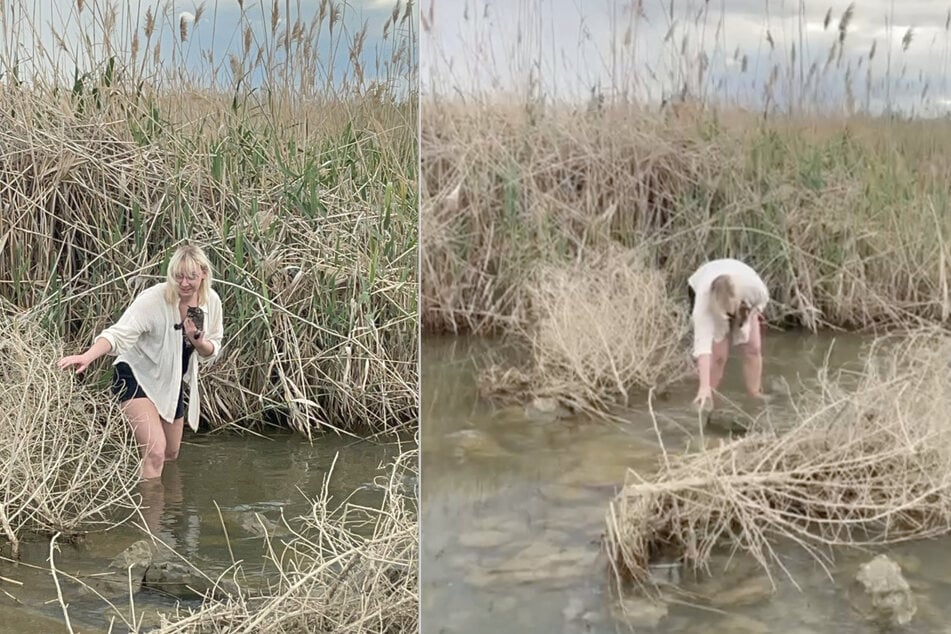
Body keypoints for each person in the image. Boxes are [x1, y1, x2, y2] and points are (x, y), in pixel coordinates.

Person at [57, 244, 224, 480]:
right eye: (178, 276)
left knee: (170, 452)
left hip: (171, 378)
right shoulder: (154, 299)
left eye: (191, 277)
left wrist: (197, 342)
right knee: (155, 452)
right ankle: (149, 515)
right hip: (135, 374)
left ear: (204, 274)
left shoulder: (211, 302)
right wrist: (87, 356)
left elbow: (212, 348)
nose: (184, 283)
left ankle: (167, 509)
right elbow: (118, 334)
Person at [687, 258, 769, 410]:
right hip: (704, 288)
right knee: (718, 355)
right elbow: (703, 346)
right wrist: (703, 386)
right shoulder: (703, 305)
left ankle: (754, 393)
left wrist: (745, 321)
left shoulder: (754, 288)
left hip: (743, 299)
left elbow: (760, 303)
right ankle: (708, 396)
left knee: (753, 349)